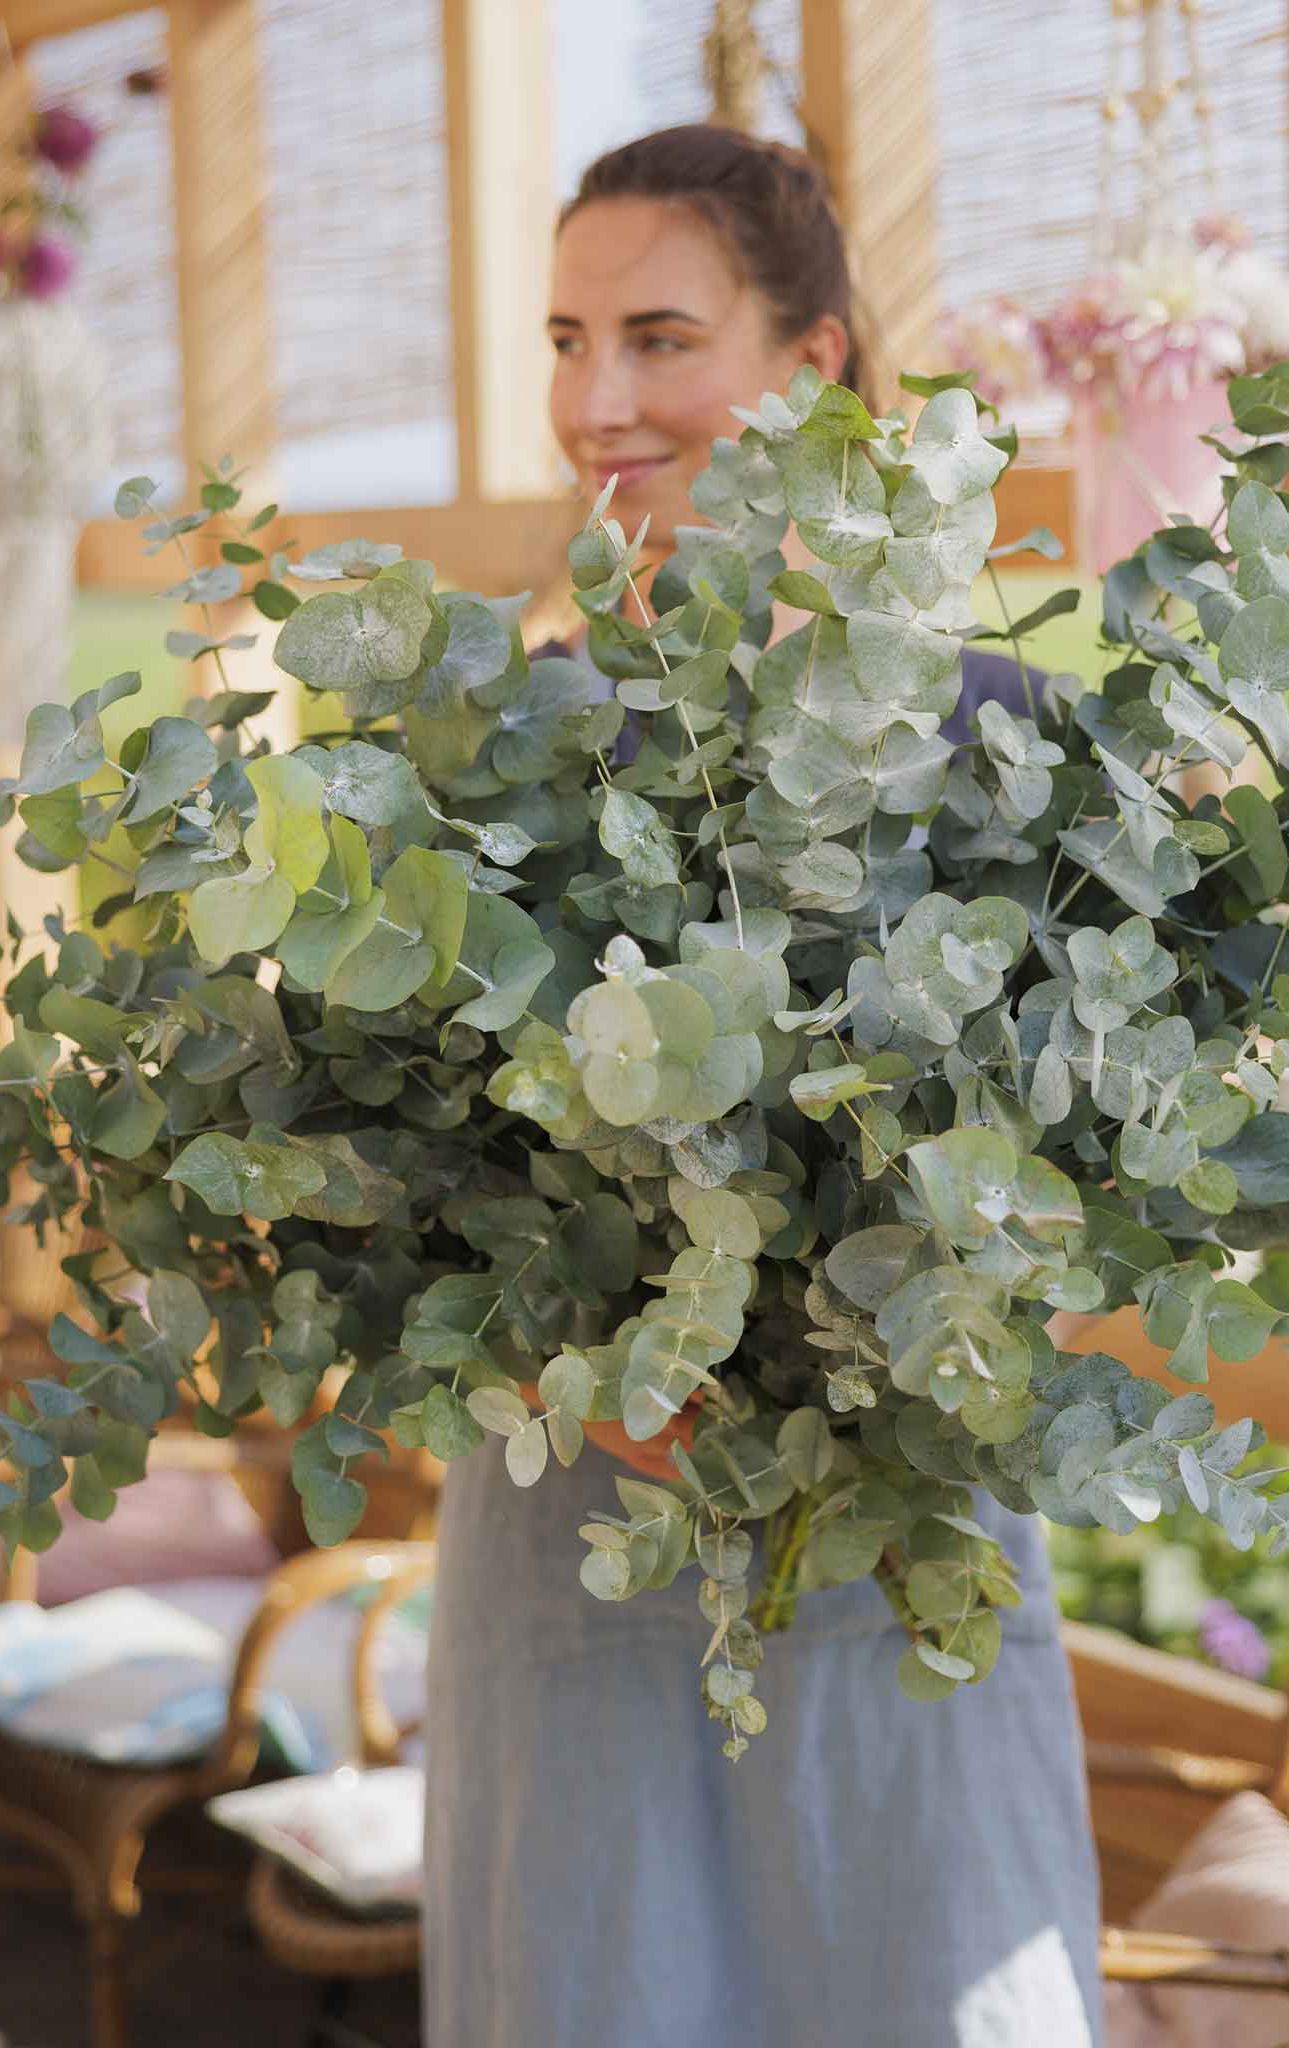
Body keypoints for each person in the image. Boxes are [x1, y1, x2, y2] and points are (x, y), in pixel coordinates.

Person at [420, 124, 1102, 2048]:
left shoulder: (1002, 742)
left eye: (657, 337)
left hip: (895, 1543)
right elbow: (400, 1178)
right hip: (568, 1533)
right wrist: (571, 1362)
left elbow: (1097, 1195)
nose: (597, 402)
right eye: (566, 341)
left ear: (809, 366)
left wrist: (874, 1349)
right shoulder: (495, 740)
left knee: (924, 1979)